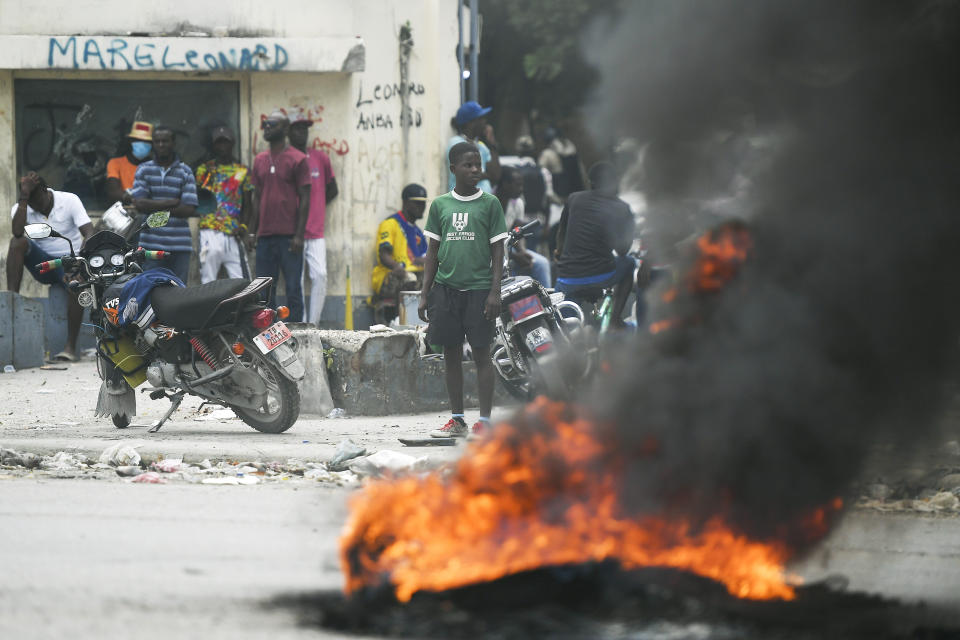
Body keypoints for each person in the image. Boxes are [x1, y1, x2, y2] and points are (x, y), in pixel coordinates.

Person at [419, 142, 507, 439]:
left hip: (480, 291)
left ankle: (484, 421)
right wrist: (424, 292)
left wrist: (495, 292)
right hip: (446, 290)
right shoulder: (441, 205)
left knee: (482, 355)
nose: (475, 170)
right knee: (451, 355)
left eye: (478, 165)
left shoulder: (490, 204)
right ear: (453, 168)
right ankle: (457, 420)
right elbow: (433, 251)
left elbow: (498, 251)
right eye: (468, 165)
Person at [6, 172, 93, 362]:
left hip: (70, 261)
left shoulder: (69, 200)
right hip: (44, 265)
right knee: (16, 243)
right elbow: (17, 232)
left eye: (37, 200)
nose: (35, 206)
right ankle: (11, 300)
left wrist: (78, 265)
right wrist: (24, 198)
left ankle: (69, 348)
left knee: (77, 285)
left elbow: (89, 233)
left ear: (46, 191)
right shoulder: (22, 206)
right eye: (31, 202)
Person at [555, 162, 635, 327]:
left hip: (567, 278)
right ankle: (615, 320)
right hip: (601, 275)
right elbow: (622, 251)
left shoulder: (574, 198)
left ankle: (568, 334)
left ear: (591, 183)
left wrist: (559, 252)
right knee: (629, 262)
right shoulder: (622, 208)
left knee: (565, 323)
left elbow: (561, 232)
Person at [249, 110, 311, 322]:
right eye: (265, 124)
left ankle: (297, 332)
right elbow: (256, 197)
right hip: (265, 237)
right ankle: (268, 332)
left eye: (272, 124)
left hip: (289, 237)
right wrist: (252, 231)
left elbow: (305, 198)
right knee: (264, 290)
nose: (266, 127)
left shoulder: (298, 159)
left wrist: (300, 235)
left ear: (285, 129)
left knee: (293, 287)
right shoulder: (259, 160)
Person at [126, 125, 198, 283]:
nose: (161, 145)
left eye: (165, 141)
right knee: (150, 292)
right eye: (157, 141)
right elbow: (139, 204)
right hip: (150, 247)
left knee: (179, 294)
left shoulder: (185, 171)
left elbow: (188, 209)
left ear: (173, 143)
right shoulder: (144, 170)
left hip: (180, 246)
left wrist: (152, 204)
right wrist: (172, 202)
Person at [287, 108, 339, 324]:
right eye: (297, 128)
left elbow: (332, 189)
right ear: (288, 132)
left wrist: (315, 205)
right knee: (295, 281)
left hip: (316, 231)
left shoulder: (320, 158)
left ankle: (313, 325)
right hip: (291, 232)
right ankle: (299, 324)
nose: (302, 132)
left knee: (320, 276)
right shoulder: (284, 158)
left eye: (304, 128)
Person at [194, 126, 252, 283]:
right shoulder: (204, 170)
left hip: (233, 233)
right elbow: (197, 198)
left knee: (243, 283)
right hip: (208, 232)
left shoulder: (242, 171)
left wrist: (244, 227)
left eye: (225, 142)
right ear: (213, 146)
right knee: (208, 282)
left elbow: (248, 204)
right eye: (218, 143)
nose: (222, 147)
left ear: (232, 143)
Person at [371, 183, 429, 323]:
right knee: (410, 280)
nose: (422, 207)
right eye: (417, 203)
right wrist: (399, 268)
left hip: (413, 274)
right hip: (389, 276)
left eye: (423, 203)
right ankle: (401, 322)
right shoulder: (391, 223)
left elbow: (423, 258)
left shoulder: (418, 232)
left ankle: (425, 324)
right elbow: (384, 255)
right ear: (406, 202)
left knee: (433, 281)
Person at [496, 167, 551, 287]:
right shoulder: (489, 203)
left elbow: (518, 232)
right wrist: (515, 257)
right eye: (518, 185)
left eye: (522, 185)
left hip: (508, 249)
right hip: (491, 253)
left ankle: (545, 303)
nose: (521, 190)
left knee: (542, 263)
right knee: (509, 268)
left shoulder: (518, 203)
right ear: (505, 184)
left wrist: (523, 252)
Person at [446, 101, 500, 193]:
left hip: (482, 204)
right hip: (464, 204)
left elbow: (496, 175)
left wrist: (492, 144)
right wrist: (487, 175)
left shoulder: (481, 146)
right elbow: (467, 176)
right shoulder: (456, 143)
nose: (485, 122)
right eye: (481, 119)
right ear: (471, 123)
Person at [105, 121, 153, 203]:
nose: (143, 144)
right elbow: (113, 191)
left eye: (146, 142)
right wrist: (134, 199)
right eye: (138, 140)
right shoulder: (115, 163)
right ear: (131, 142)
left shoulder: (155, 166)